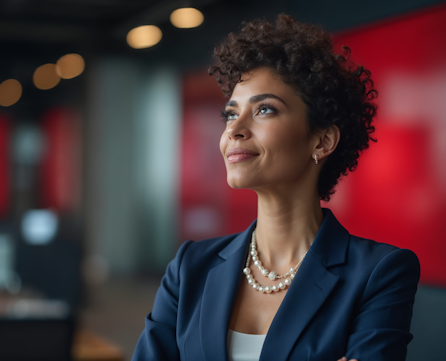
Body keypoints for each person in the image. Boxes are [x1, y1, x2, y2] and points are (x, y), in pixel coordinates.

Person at [132, 14, 420, 361]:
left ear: (323, 139)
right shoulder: (189, 268)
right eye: (230, 114)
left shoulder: (380, 273)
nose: (234, 130)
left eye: (265, 109)